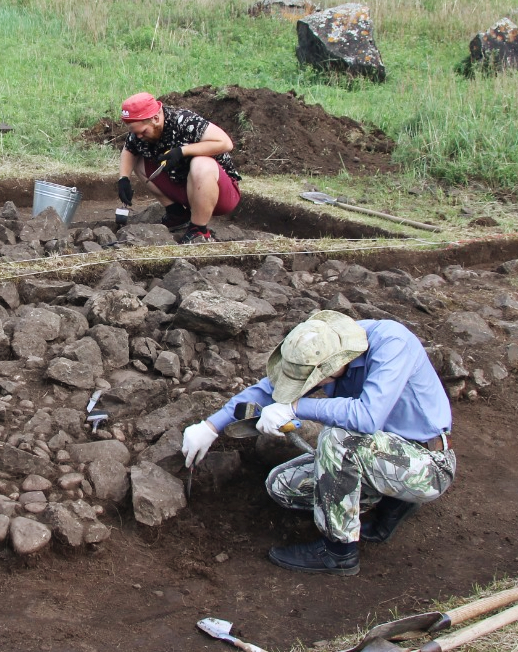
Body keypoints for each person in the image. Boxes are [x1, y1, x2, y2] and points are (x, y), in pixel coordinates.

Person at [182, 310, 455, 575]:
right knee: (283, 485)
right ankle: (394, 501)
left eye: (314, 380)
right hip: (378, 457)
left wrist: (296, 407)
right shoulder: (322, 342)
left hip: (426, 464)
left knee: (338, 438)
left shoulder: (392, 343)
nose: (309, 385)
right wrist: (211, 425)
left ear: (335, 364)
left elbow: (368, 416)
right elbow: (268, 390)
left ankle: (339, 552)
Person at [114, 91, 241, 244]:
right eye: (135, 132)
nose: (139, 136)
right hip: (186, 188)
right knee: (139, 162)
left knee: (201, 163)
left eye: (142, 132)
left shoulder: (184, 121)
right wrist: (123, 179)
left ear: (155, 118)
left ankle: (199, 230)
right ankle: (177, 214)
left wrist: (182, 151)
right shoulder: (141, 131)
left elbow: (226, 143)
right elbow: (129, 149)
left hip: (220, 194)